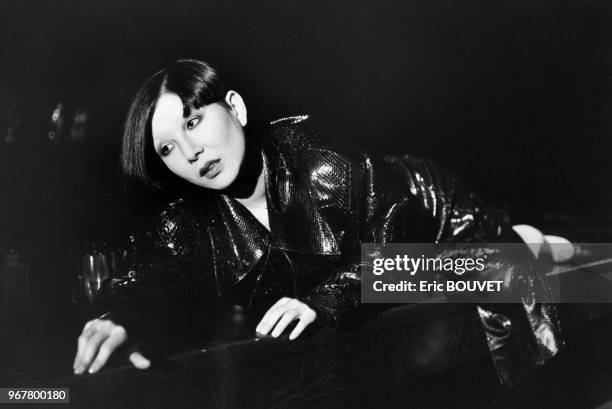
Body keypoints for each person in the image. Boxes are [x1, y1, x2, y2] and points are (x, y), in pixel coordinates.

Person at [72, 59, 562, 386]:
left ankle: (517, 237)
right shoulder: (189, 220)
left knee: (511, 261)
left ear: (236, 109)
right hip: (390, 265)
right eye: (166, 149)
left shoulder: (317, 150)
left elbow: (390, 242)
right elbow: (151, 274)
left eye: (194, 121)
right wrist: (119, 315)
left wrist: (324, 299)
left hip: (431, 217)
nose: (190, 152)